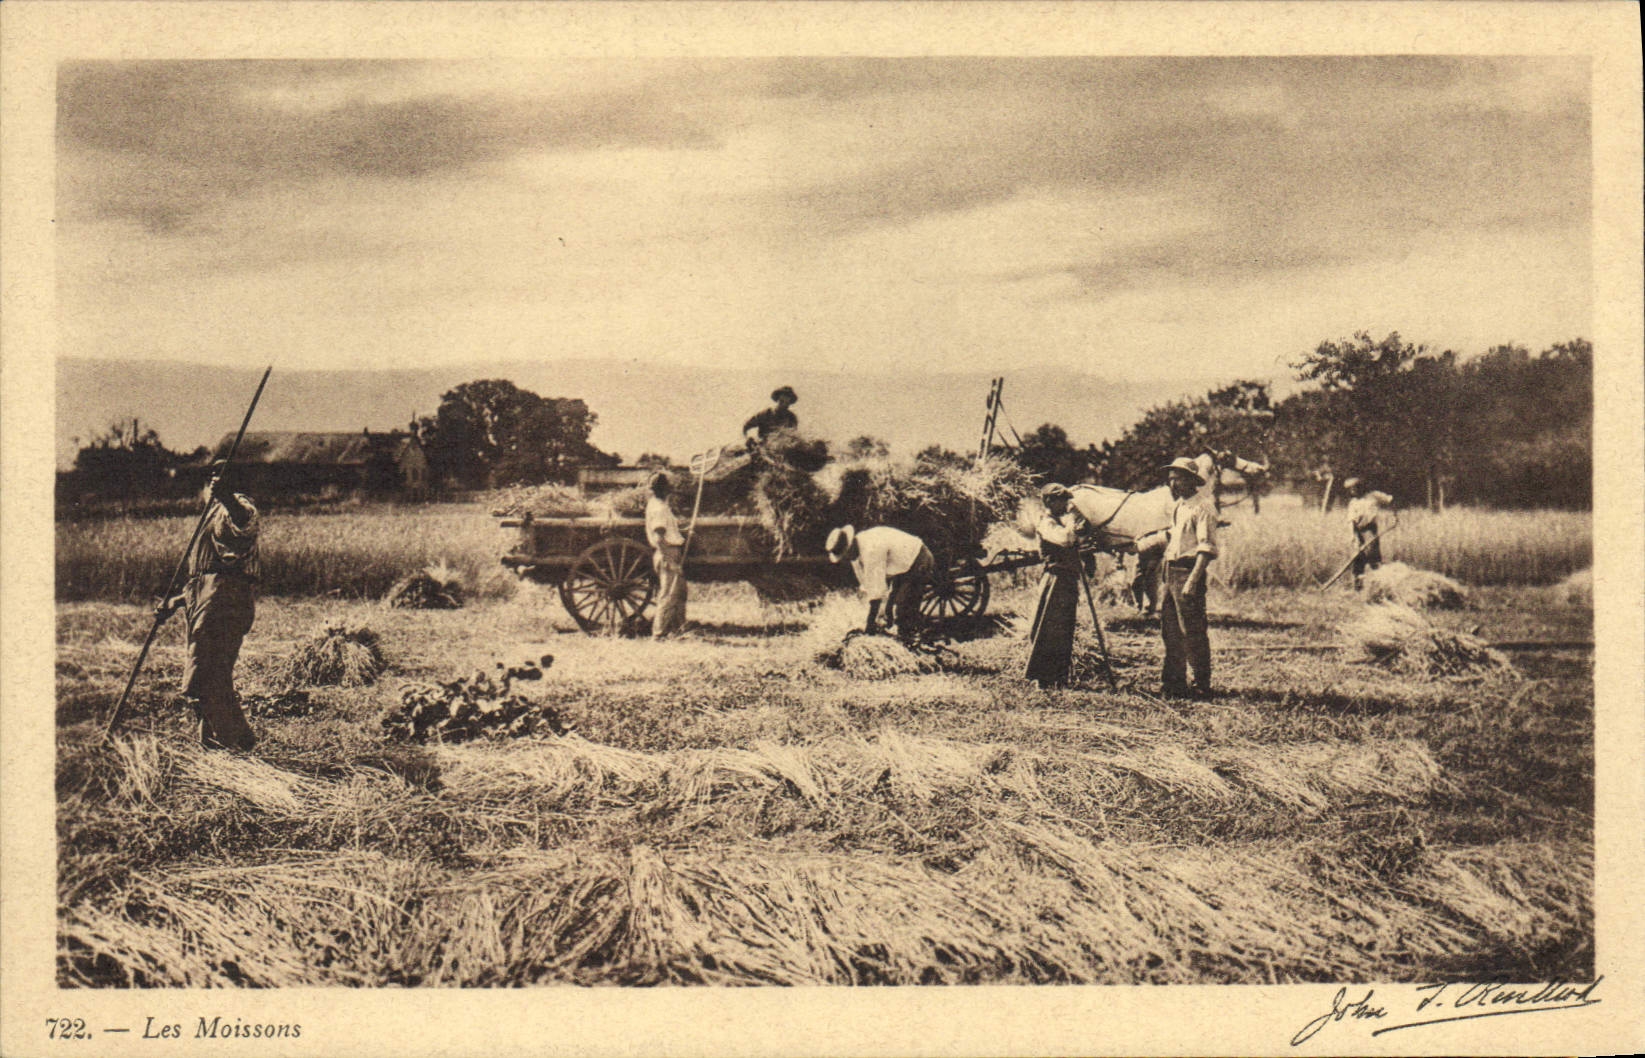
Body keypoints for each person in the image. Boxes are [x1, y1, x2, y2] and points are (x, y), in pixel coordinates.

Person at [156, 467, 260, 750]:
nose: (209, 486)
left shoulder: (233, 508)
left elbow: (242, 524)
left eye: (218, 480)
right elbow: (208, 577)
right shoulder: (212, 514)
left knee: (204, 676)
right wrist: (177, 601)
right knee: (210, 676)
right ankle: (223, 743)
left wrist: (227, 497)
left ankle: (231, 744)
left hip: (224, 603)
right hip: (210, 600)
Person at [1136, 456, 1218, 700]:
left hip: (1188, 571)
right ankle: (1174, 683)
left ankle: (1201, 684)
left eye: (1178, 479)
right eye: (1170, 479)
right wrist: (1144, 543)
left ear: (1192, 480)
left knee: (1192, 630)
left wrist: (1192, 581)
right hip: (1170, 572)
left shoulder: (1203, 507)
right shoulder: (1179, 507)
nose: (1173, 484)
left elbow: (1206, 549)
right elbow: (1172, 537)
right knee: (1170, 630)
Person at [824, 524, 934, 641]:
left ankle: (910, 638)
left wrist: (870, 624)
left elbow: (876, 593)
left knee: (903, 605)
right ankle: (901, 629)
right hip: (902, 565)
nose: (846, 560)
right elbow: (868, 584)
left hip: (918, 557)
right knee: (890, 608)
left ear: (849, 547)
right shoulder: (856, 552)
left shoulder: (871, 549)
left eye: (845, 556)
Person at [1025, 483, 1085, 688]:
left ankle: (1059, 677)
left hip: (1067, 580)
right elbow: (1066, 539)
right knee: (1048, 627)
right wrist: (1073, 519)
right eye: (1061, 500)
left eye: (1066, 500)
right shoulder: (1046, 523)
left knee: (1064, 628)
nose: (1066, 504)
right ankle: (1043, 679)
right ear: (1049, 502)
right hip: (1055, 580)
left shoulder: (1060, 522)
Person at [644, 471, 688, 637]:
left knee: (679, 593)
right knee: (669, 594)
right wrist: (670, 561)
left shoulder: (656, 504)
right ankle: (659, 633)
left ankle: (677, 630)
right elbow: (659, 537)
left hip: (669, 552)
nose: (670, 490)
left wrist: (683, 530)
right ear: (662, 489)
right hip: (667, 553)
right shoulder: (659, 509)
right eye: (668, 488)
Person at [1343, 478, 1396, 591]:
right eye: (1350, 489)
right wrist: (1353, 537)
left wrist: (1394, 514)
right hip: (1358, 531)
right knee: (1358, 557)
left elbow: (1390, 499)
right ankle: (1358, 586)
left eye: (1354, 488)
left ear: (1360, 487)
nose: (1352, 491)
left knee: (1373, 556)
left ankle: (1379, 585)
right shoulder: (1353, 503)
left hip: (1370, 530)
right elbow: (1351, 522)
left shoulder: (1374, 496)